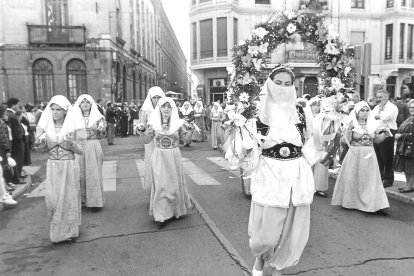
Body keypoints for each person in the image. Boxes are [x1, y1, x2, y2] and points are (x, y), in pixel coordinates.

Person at [248, 65, 314, 276]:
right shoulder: (258, 113)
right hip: (270, 174)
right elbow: (247, 148)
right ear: (269, 83)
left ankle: (278, 266)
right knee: (266, 232)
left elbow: (312, 143)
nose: (283, 88)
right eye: (278, 83)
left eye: (287, 84)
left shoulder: (302, 112)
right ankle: (261, 257)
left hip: (296, 175)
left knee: (291, 229)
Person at [35, 95, 86, 243]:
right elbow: (39, 150)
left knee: (68, 198)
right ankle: (57, 230)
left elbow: (81, 150)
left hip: (69, 166)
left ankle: (68, 231)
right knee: (53, 199)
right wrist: (40, 143)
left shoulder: (74, 128)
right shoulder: (46, 128)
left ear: (65, 111)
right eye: (53, 109)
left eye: (59, 110)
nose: (55, 112)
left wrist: (71, 143)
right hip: (52, 167)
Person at [142, 97, 192, 227]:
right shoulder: (153, 123)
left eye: (168, 106)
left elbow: (185, 140)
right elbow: (147, 140)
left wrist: (190, 130)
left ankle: (175, 210)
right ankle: (161, 215)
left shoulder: (179, 123)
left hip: (174, 155)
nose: (165, 109)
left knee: (173, 184)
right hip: (159, 156)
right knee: (161, 185)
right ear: (159, 109)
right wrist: (142, 132)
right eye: (163, 106)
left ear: (172, 109)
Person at [332, 101, 389, 213]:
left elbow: (376, 140)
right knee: (353, 177)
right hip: (355, 154)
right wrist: (349, 129)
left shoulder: (372, 124)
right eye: (362, 110)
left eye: (367, 110)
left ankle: (373, 204)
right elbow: (345, 141)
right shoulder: (352, 124)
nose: (365, 113)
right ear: (357, 112)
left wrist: (385, 134)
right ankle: (350, 202)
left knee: (371, 179)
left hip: (370, 154)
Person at [75, 94, 106, 211]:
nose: (85, 104)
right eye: (82, 102)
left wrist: (102, 129)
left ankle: (95, 202)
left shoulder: (99, 117)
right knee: (80, 173)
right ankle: (82, 199)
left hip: (93, 145)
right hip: (79, 146)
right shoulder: (74, 118)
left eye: (87, 102)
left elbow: (103, 134)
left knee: (93, 173)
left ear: (91, 104)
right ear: (79, 104)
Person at [138, 86, 165, 195]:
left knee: (163, 164)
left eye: (159, 97)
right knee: (152, 163)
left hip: (163, 140)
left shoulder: (166, 108)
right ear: (150, 98)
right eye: (154, 97)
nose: (157, 99)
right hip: (150, 141)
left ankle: (163, 190)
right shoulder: (145, 110)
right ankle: (154, 190)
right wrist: (143, 130)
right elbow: (141, 124)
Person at [372, 89, 398, 187]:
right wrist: (378, 116)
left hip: (387, 133)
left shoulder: (392, 107)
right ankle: (380, 178)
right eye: (377, 97)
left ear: (386, 97)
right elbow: (372, 117)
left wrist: (378, 116)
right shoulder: (377, 107)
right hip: (377, 133)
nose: (379, 99)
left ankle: (388, 179)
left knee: (387, 158)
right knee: (379, 158)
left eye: (381, 97)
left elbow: (385, 117)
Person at [307, 97, 329, 198]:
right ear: (310, 106)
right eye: (314, 105)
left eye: (318, 105)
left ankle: (319, 187)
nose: (316, 107)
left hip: (321, 140)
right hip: (310, 141)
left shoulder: (323, 117)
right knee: (309, 163)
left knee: (321, 163)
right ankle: (308, 186)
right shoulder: (307, 116)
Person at [394, 99, 414, 193]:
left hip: (411, 147)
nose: (412, 109)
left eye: (413, 107)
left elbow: (412, 134)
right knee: (406, 167)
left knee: (411, 167)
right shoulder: (409, 118)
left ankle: (410, 186)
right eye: (410, 107)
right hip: (405, 147)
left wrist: (401, 135)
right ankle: (407, 184)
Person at [5, 98, 25, 184]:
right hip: (16, 142)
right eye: (17, 105)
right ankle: (17, 178)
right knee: (17, 159)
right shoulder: (12, 115)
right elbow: (16, 130)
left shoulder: (7, 113)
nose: (18, 107)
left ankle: (16, 177)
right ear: (13, 105)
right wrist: (20, 137)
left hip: (12, 141)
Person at [0, 105, 16, 203]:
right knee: (4, 168)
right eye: (4, 111)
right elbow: (3, 138)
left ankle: (5, 188)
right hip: (2, 149)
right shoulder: (1, 123)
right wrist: (7, 150)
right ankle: (4, 193)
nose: (5, 113)